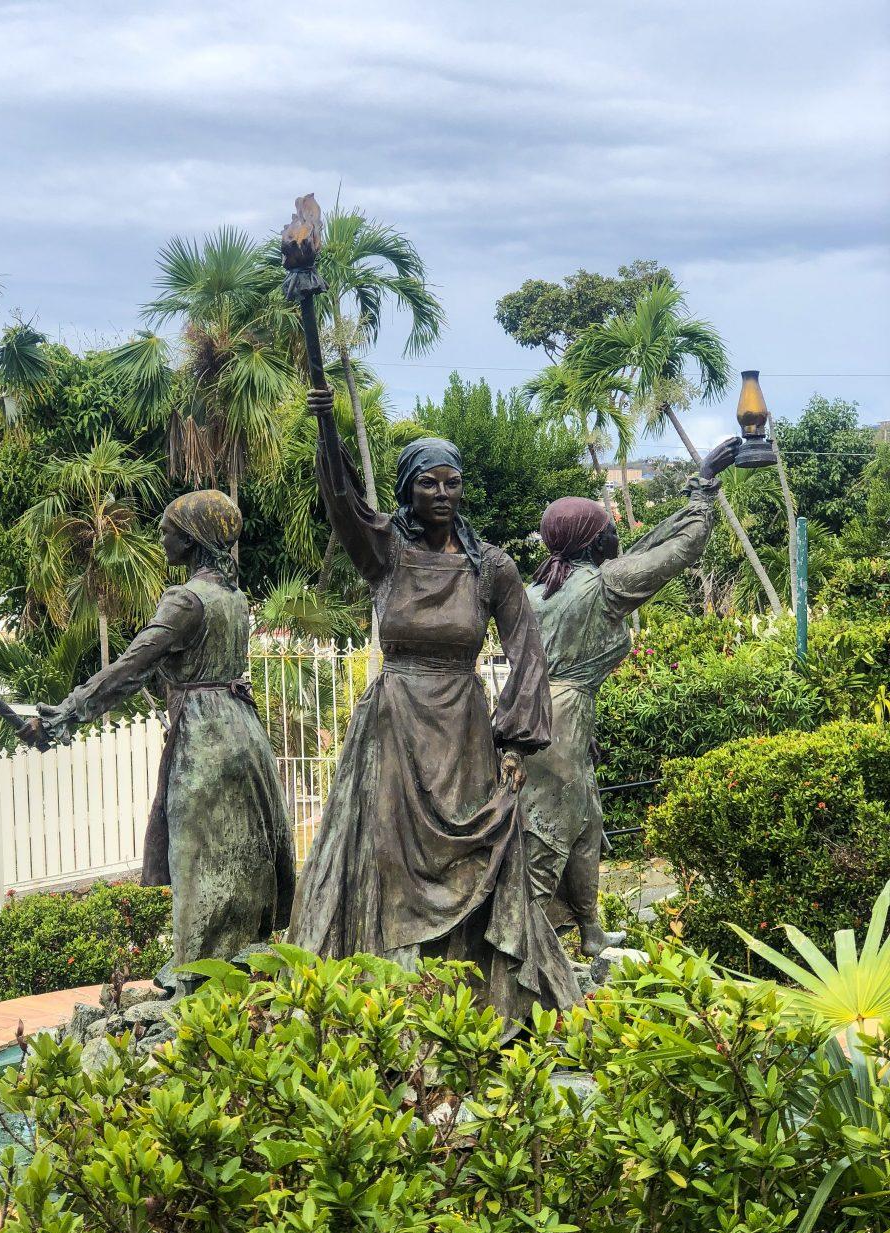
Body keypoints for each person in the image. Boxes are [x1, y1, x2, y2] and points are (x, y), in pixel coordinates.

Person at [287, 387, 580, 1025]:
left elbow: (528, 653)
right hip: (395, 722)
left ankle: (474, 1000)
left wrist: (514, 741)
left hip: (466, 728)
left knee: (476, 857)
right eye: (428, 484)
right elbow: (342, 505)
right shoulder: (386, 554)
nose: (442, 494)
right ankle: (394, 997)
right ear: (408, 491)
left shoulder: (490, 568)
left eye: (451, 483)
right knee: (390, 860)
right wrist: (327, 428)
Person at [36, 491, 295, 978]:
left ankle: (196, 976)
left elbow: (132, 665)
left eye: (169, 529)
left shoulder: (187, 600)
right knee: (239, 860)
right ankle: (240, 966)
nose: (161, 537)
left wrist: (67, 713)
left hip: (205, 741)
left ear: (193, 538)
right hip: (245, 733)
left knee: (198, 861)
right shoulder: (234, 598)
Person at [521, 435, 742, 955]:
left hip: (539, 714)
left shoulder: (538, 591)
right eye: (609, 528)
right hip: (560, 717)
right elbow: (681, 549)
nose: (617, 534)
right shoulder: (602, 586)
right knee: (554, 827)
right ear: (590, 541)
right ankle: (527, 936)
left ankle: (589, 930)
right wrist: (702, 488)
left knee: (586, 821)